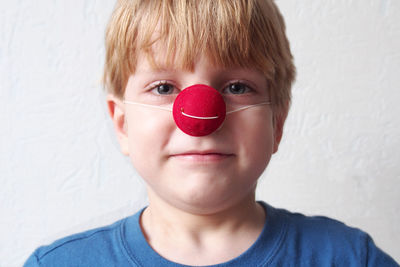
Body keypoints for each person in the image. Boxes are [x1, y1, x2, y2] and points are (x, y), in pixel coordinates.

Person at [24, 0, 399, 266]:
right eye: (164, 88)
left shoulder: (349, 259)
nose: (202, 116)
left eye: (236, 87)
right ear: (122, 124)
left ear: (277, 122)